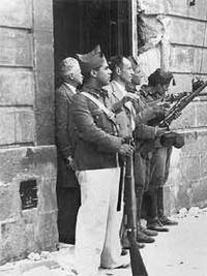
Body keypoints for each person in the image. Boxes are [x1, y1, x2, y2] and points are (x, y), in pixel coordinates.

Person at [70, 45, 134, 275]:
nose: (110, 72)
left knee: (112, 215)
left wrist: (121, 104)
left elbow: (107, 119)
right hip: (93, 166)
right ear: (93, 73)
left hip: (112, 164)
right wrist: (119, 144)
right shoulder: (80, 100)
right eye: (106, 69)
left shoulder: (101, 97)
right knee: (93, 216)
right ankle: (86, 265)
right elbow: (90, 131)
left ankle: (110, 258)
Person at [106, 55, 166, 246]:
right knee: (127, 192)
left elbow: (132, 119)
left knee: (137, 187)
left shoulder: (125, 92)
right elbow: (128, 122)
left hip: (132, 145)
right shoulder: (111, 92)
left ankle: (132, 231)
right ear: (118, 71)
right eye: (129, 69)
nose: (132, 73)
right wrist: (152, 114)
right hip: (124, 146)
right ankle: (125, 235)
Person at [141, 68, 184, 232]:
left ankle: (160, 214)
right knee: (155, 177)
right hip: (153, 140)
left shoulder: (161, 96)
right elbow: (143, 116)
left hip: (164, 139)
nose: (166, 89)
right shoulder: (144, 96)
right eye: (164, 85)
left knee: (163, 177)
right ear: (157, 84)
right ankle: (151, 218)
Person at [55, 57, 83, 244]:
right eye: (79, 71)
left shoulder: (73, 92)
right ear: (71, 75)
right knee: (70, 193)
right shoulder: (62, 94)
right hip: (70, 155)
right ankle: (68, 234)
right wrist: (68, 155)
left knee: (76, 192)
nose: (82, 75)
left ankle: (74, 233)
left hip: (78, 152)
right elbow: (61, 127)